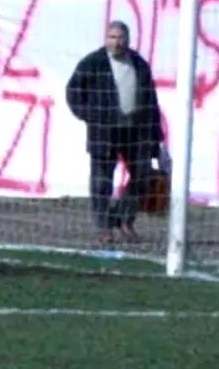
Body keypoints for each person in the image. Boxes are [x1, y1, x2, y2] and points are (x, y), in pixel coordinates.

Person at [65, 20, 164, 244]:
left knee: (143, 176)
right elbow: (73, 92)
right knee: (101, 182)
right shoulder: (93, 63)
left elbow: (151, 102)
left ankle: (124, 219)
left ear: (128, 39)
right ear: (106, 39)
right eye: (112, 37)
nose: (117, 42)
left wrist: (157, 137)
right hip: (104, 133)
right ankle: (103, 227)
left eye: (120, 38)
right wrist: (92, 116)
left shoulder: (139, 64)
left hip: (135, 132)